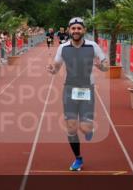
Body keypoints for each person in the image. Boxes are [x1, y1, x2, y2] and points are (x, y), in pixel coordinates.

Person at [47, 17, 109, 171]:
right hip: (69, 90)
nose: (76, 31)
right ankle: (78, 158)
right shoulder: (63, 48)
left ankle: (89, 130)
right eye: (73, 28)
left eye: (79, 28)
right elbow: (56, 67)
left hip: (87, 89)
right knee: (71, 127)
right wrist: (52, 69)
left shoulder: (93, 46)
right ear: (69, 30)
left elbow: (106, 65)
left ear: (84, 30)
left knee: (85, 128)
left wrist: (101, 66)